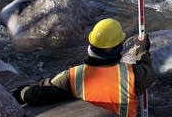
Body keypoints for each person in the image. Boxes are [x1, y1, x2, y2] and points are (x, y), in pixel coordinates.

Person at [13, 18, 155, 117]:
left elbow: (40, 93)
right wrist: (142, 50)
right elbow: (148, 71)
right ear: (117, 48)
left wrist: (21, 92)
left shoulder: (74, 76)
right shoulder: (133, 74)